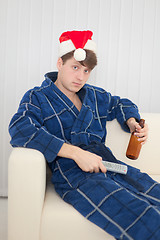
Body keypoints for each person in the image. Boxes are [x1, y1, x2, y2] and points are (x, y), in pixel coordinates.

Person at [9, 30, 160, 240]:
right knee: (142, 215)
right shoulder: (37, 97)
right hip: (73, 172)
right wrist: (76, 153)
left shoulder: (95, 96)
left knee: (152, 192)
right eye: (75, 67)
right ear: (59, 63)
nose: (81, 76)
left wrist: (132, 121)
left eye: (86, 71)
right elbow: (20, 128)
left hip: (108, 162)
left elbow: (120, 103)